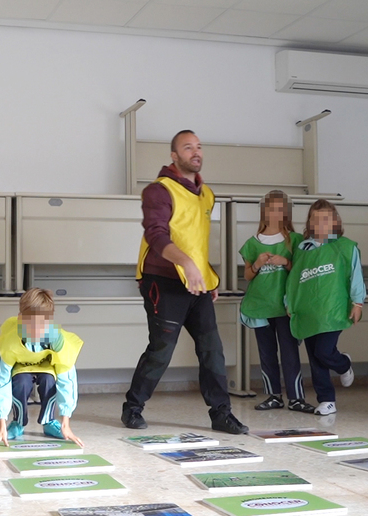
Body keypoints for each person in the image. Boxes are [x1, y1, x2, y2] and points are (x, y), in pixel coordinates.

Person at [122, 130, 247, 435]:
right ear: (174, 155)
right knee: (162, 349)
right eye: (188, 147)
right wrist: (187, 264)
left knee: (212, 349)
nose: (196, 152)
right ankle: (132, 407)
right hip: (162, 281)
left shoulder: (207, 195)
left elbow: (195, 240)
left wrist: (206, 275)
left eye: (199, 147)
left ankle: (221, 414)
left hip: (196, 283)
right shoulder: (158, 191)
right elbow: (156, 235)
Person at [285, 199, 364, 416]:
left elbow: (355, 276)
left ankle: (343, 364)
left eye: (326, 219)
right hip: (309, 311)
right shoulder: (302, 249)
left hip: (333, 309)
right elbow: (294, 279)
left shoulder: (345, 247)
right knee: (314, 356)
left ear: (335, 222)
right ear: (309, 223)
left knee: (323, 351)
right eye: (316, 220)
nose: (321, 224)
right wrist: (289, 302)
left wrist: (357, 302)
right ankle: (327, 400)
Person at [0, 288, 85, 449]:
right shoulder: (10, 342)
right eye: (30, 325)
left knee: (48, 381)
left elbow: (67, 379)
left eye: (42, 325)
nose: (36, 331)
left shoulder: (57, 340)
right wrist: (1, 424)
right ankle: (18, 422)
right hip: (21, 368)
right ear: (20, 318)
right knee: (21, 382)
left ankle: (49, 422)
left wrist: (66, 422)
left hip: (46, 369)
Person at [239, 190, 307, 412]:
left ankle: (296, 398)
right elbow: (248, 276)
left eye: (280, 209)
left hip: (285, 308)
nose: (276, 213)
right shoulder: (252, 244)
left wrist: (285, 262)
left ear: (286, 212)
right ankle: (273, 396)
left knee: (290, 352)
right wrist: (257, 264)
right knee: (266, 353)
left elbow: (302, 271)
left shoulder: (295, 240)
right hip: (260, 306)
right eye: (271, 209)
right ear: (264, 211)